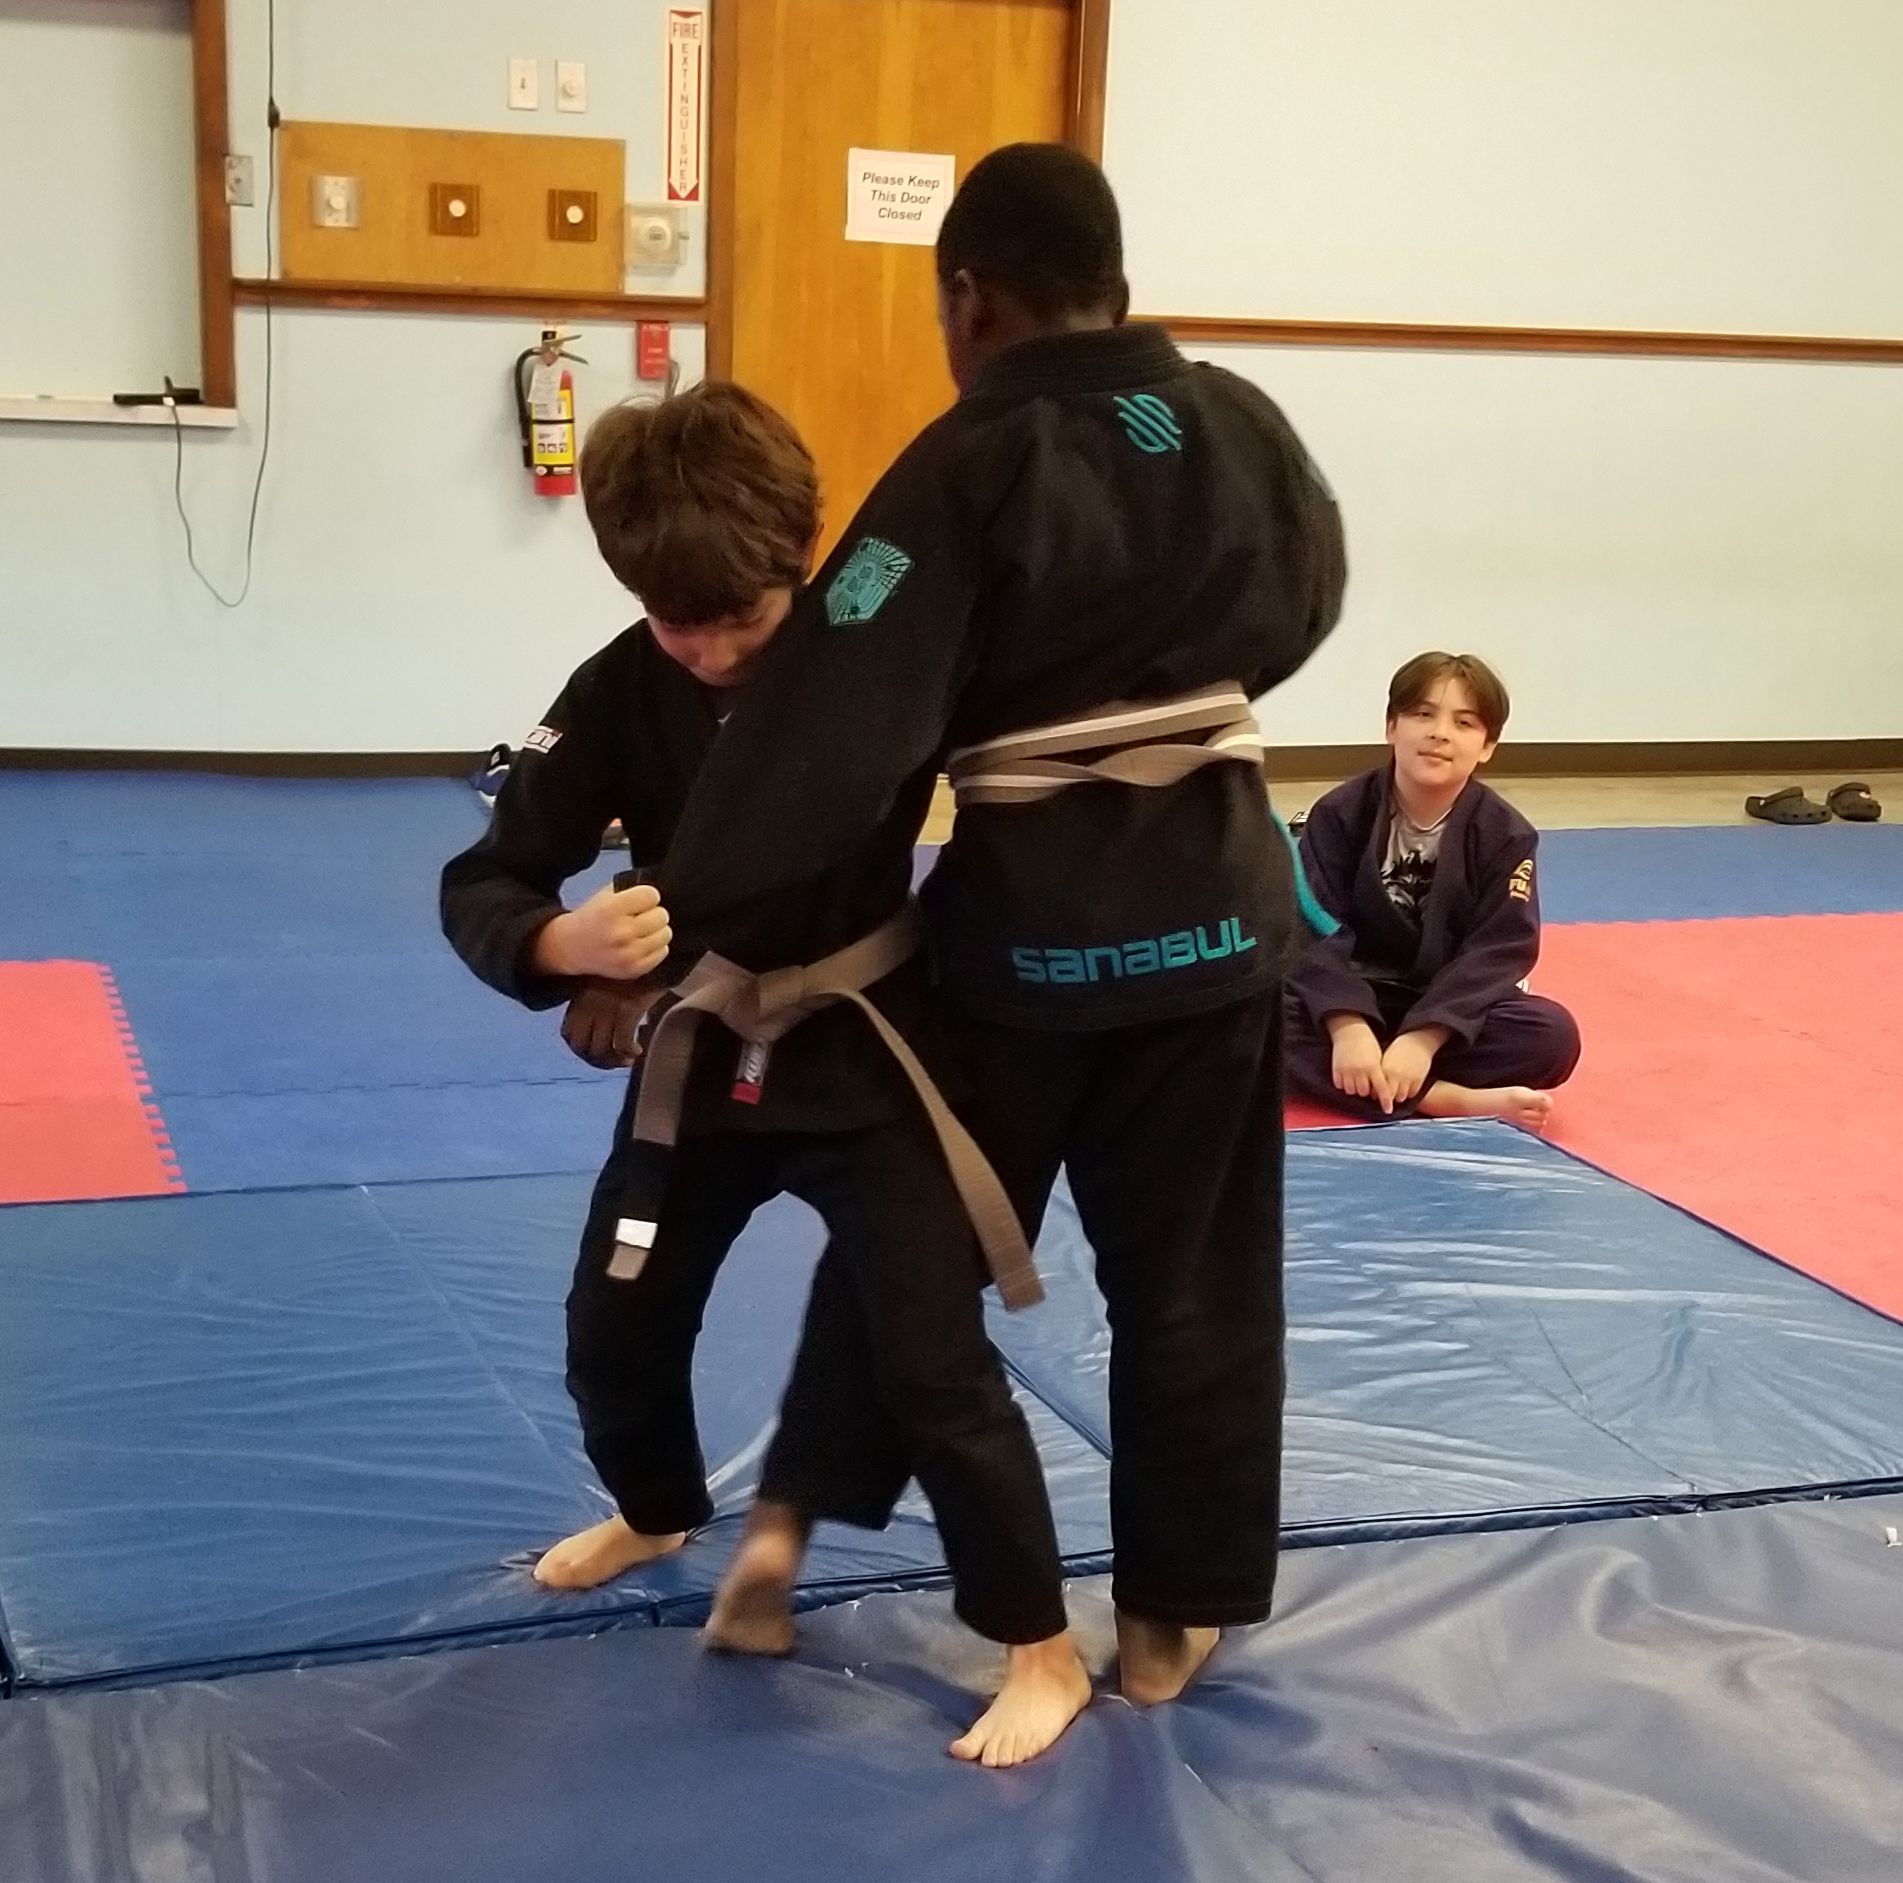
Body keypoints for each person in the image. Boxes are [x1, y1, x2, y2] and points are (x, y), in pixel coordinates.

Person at [639, 143, 1346, 1709]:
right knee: (1200, 1283)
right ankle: (1173, 1615)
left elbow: (840, 712)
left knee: (912, 1239)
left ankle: (786, 1522)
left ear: (968, 296)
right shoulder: (1236, 420)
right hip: (1220, 929)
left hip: (1025, 948)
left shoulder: (968, 459)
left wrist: (703, 911)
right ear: (1115, 279)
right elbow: (1304, 606)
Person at [439, 381, 1087, 1769]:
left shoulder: (877, 654)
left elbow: (1022, 788)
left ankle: (1039, 1642)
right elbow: (488, 871)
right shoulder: (621, 683)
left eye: (745, 614)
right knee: (613, 1318)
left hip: (870, 1055)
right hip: (698, 1062)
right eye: (685, 622)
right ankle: (659, 1505)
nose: (718, 648)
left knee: (932, 1356)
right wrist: (558, 938)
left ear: (798, 565)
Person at [1284, 651, 1581, 1129]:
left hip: (1440, 1001)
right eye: (1422, 714)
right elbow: (1309, 927)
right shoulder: (1338, 814)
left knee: (1552, 1037)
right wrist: (1346, 1023)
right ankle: (1442, 1098)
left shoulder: (1505, 835)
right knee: (1253, 1017)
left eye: (1464, 723)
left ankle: (1388, 1078)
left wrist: (1425, 1036)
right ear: (1391, 727)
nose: (1439, 733)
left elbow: (1498, 951)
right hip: (1353, 990)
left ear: (1487, 746)